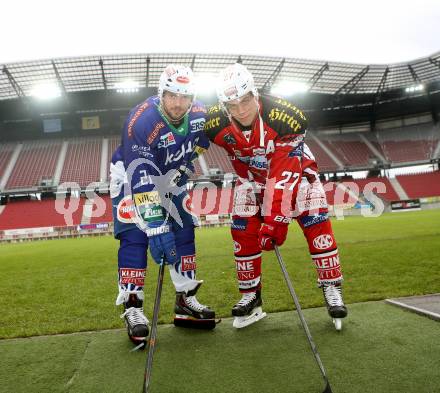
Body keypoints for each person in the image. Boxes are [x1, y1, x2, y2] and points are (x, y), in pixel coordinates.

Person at [204, 63, 347, 328]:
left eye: (245, 101)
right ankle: (250, 295)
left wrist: (275, 221)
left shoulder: (285, 117)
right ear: (224, 107)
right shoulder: (213, 124)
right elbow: (191, 139)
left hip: (297, 172)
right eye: (232, 105)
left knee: (314, 214)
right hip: (251, 179)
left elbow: (282, 177)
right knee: (242, 226)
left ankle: (331, 286)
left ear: (255, 95)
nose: (241, 110)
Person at [110, 64, 216, 347]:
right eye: (172, 95)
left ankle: (186, 300)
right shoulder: (142, 120)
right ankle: (133, 307)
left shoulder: (200, 114)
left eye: (185, 96)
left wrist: (185, 163)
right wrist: (155, 226)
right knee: (135, 235)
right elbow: (141, 175)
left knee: (185, 229)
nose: (179, 103)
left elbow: (202, 143)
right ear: (161, 93)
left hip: (170, 174)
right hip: (132, 175)